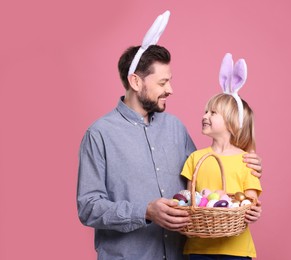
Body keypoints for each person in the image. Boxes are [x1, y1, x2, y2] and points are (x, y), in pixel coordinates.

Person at [77, 11, 263, 260]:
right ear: (135, 82)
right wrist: (145, 211)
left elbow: (208, 179)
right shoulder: (99, 134)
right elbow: (88, 207)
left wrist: (246, 165)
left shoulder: (176, 128)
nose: (171, 90)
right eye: (163, 83)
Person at [180, 53, 261, 260]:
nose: (204, 116)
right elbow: (190, 201)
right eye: (205, 111)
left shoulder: (246, 161)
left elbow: (249, 202)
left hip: (236, 250)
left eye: (213, 113)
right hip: (199, 248)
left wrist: (253, 211)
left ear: (232, 122)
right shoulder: (195, 158)